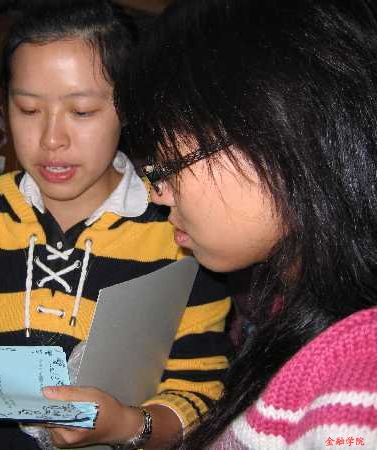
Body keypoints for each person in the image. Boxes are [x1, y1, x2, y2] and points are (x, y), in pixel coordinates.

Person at [0, 1, 231, 449]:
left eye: (82, 112)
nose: (52, 140)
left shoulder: (181, 234)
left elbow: (199, 396)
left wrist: (129, 426)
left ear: (129, 108)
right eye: (29, 110)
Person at [114, 0, 377, 448]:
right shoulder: (292, 310)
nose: (157, 192)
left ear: (276, 132)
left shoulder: (356, 393)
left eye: (167, 164)